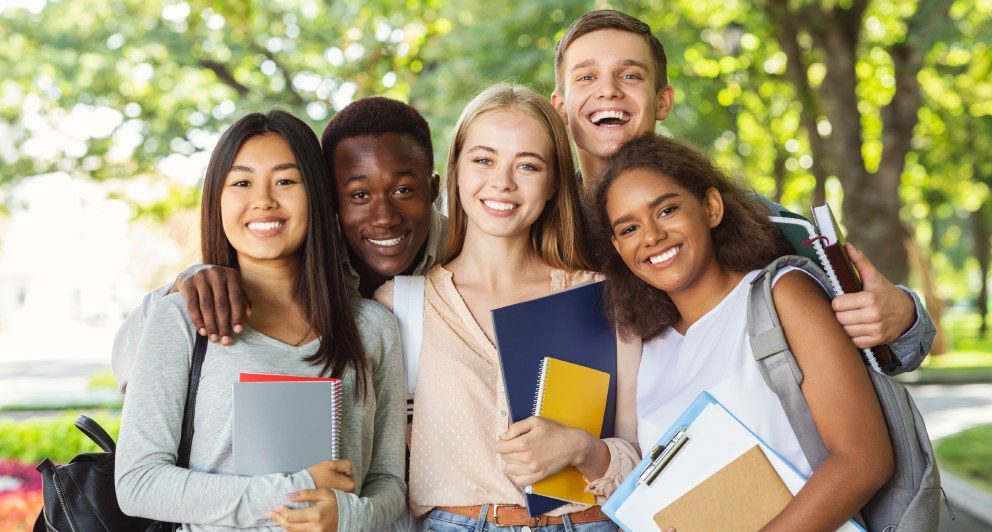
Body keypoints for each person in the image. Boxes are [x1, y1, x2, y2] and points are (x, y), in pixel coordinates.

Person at [550, 9, 936, 374]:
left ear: (663, 100)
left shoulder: (752, 219)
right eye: (586, 77)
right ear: (560, 107)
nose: (609, 91)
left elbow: (875, 352)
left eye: (631, 75)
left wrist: (902, 317)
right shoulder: (538, 227)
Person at [114, 110, 406, 531]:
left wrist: (349, 514)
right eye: (242, 182)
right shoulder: (180, 319)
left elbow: (388, 480)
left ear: (318, 196)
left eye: (286, 181)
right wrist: (295, 490)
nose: (264, 200)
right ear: (218, 197)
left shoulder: (373, 328)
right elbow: (138, 483)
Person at [373, 83, 640, 531]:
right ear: (455, 169)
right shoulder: (400, 306)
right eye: (483, 159)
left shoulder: (602, 298)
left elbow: (646, 454)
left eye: (528, 165)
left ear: (555, 183)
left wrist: (584, 450)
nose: (502, 182)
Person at [596, 134, 893, 530]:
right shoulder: (648, 347)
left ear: (711, 207)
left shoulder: (782, 294)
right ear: (618, 248)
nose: (651, 236)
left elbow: (864, 460)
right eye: (629, 228)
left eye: (666, 210)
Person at [111, 97, 446, 393]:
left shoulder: (466, 253)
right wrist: (184, 284)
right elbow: (129, 367)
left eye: (403, 190)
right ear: (328, 198)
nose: (384, 217)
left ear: (433, 189)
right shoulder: (292, 257)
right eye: (359, 195)